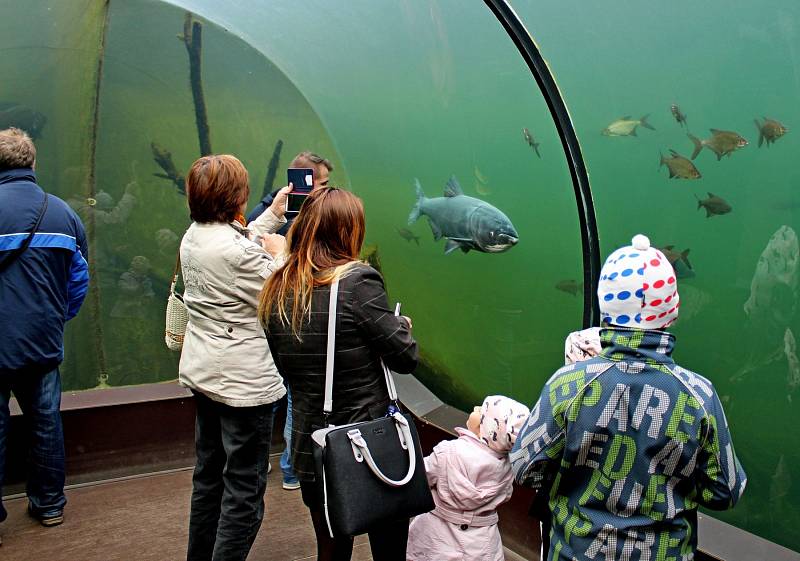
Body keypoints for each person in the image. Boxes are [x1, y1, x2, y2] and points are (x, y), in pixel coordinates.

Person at [510, 234, 747, 561]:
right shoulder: (699, 396)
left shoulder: (568, 385)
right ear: (672, 313)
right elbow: (725, 491)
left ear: (604, 309)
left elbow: (525, 467)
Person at [259, 187, 417, 561]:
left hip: (312, 443)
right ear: (346, 231)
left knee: (330, 548)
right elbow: (405, 357)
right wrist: (400, 326)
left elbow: (286, 366)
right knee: (388, 550)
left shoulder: (279, 286)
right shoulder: (358, 282)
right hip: (368, 442)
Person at [178, 154, 288, 561]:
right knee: (244, 491)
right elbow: (282, 294)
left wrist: (272, 216)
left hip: (205, 374)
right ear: (235, 196)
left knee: (208, 478)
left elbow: (234, 246)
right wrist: (281, 251)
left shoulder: (194, 235)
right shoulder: (237, 254)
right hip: (242, 386)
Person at [0, 128, 89, 533]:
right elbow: (79, 279)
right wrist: (56, 317)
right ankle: (49, 505)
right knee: (45, 421)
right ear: (33, 164)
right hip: (42, 340)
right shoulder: (62, 213)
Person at [248, 151, 332, 490]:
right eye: (322, 183)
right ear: (303, 182)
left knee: (287, 394)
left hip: (293, 318)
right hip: (276, 321)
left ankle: (282, 463)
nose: (327, 190)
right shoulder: (269, 216)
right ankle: (289, 466)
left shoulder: (305, 213)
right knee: (288, 395)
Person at [407, 395, 529, 561]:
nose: (476, 408)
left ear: (484, 429)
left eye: (481, 410)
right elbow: (506, 495)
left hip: (436, 540)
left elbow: (420, 479)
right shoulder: (508, 466)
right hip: (482, 545)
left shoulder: (448, 452)